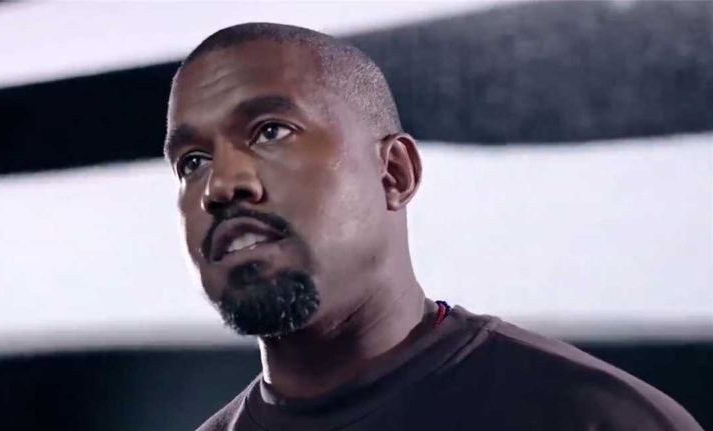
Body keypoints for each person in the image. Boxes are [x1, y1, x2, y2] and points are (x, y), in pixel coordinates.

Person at [163, 22, 702, 431]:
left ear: (394, 174)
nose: (219, 186)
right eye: (192, 162)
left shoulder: (591, 417)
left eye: (271, 131)